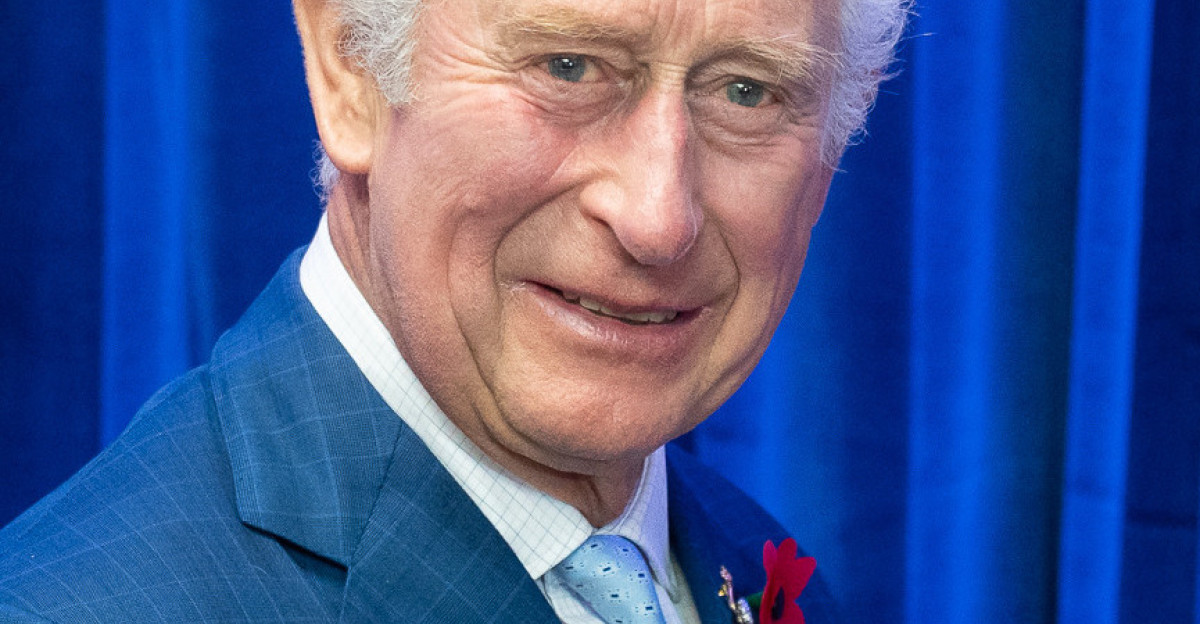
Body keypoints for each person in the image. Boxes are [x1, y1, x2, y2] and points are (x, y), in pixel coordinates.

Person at [0, 0, 907, 621]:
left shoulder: (746, 557)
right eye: (568, 67)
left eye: (748, 90)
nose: (658, 218)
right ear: (351, 68)